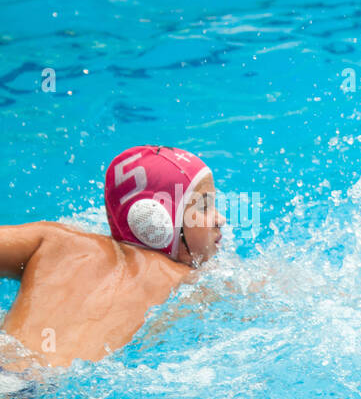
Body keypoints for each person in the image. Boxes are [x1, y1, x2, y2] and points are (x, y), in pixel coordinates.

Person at [0, 146, 224, 376]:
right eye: (204, 206)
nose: (221, 219)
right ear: (157, 220)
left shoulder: (54, 239)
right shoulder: (185, 279)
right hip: (41, 389)